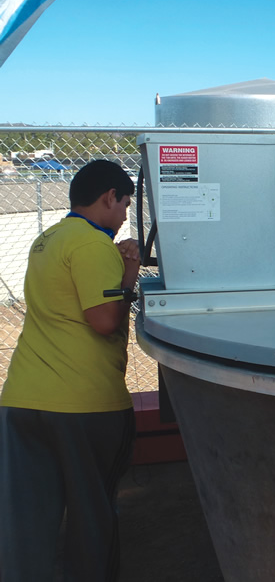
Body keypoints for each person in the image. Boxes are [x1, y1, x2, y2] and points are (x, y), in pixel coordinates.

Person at [0, 160, 141, 581]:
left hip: (22, 399)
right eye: (125, 205)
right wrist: (129, 273)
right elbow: (103, 320)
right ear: (109, 198)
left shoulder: (48, 238)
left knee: (27, 516)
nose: (124, 216)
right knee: (91, 514)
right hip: (83, 404)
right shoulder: (92, 244)